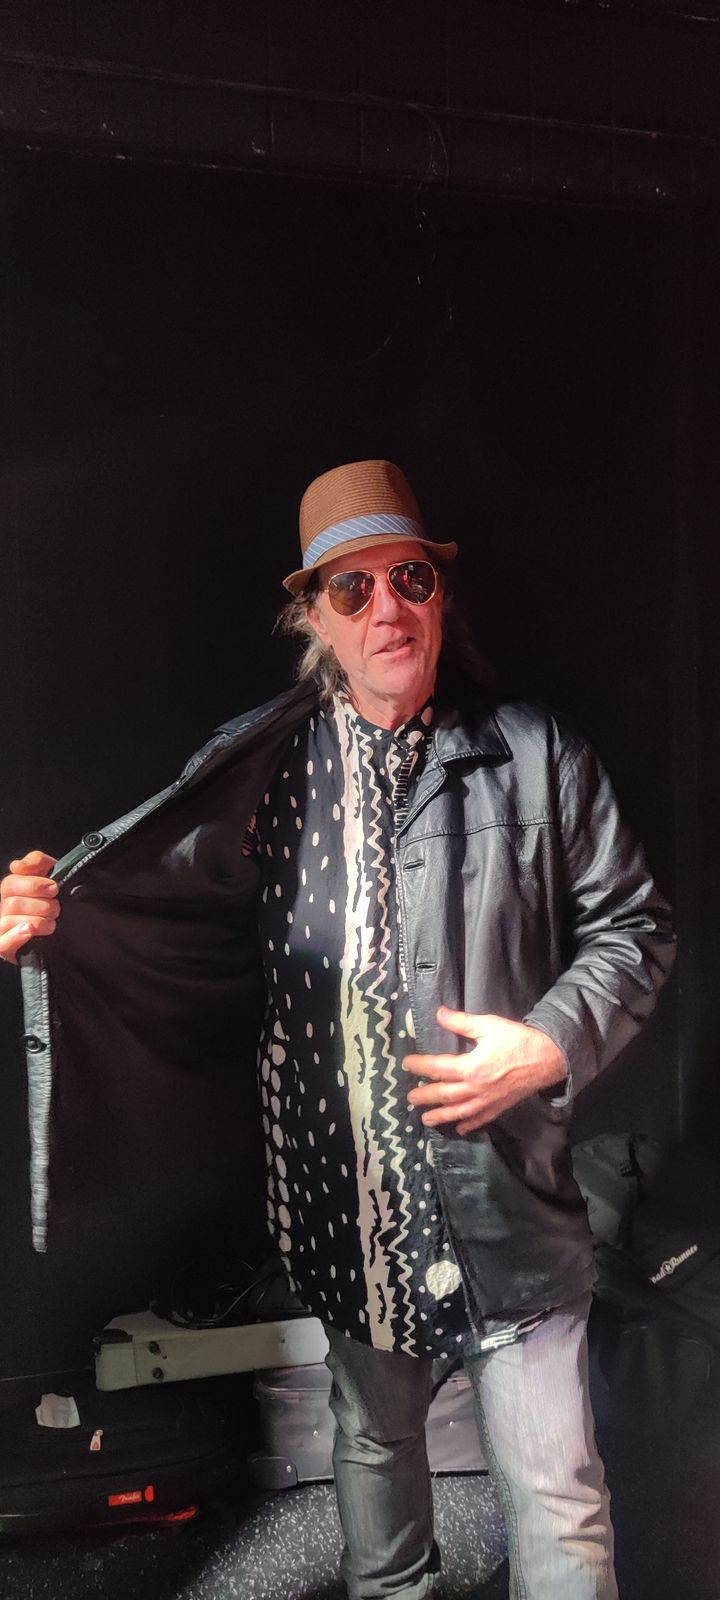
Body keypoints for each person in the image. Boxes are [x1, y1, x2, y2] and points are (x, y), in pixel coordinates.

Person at [1, 459, 675, 1600]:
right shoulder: (265, 772)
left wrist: (550, 1042)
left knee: (558, 1493)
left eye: (409, 578)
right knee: (372, 1446)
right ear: (313, 617)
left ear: (440, 597)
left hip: (507, 1203)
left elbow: (635, 928)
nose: (386, 609)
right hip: (343, 1208)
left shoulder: (536, 754)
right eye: (351, 589)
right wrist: (49, 915)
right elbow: (155, 910)